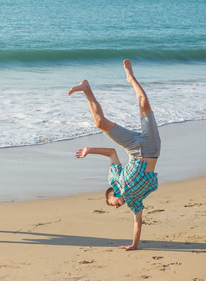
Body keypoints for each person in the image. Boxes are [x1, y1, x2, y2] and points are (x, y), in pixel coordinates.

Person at [68, 60, 161, 251]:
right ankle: (89, 88)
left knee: (100, 124)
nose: (116, 207)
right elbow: (138, 222)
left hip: (134, 148)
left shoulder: (115, 178)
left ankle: (125, 79)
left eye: (113, 204)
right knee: (144, 103)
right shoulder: (135, 201)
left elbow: (111, 152)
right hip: (152, 145)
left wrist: (89, 150)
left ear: (112, 194)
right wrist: (134, 245)